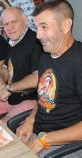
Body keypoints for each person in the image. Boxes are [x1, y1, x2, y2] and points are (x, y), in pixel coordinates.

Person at [15, 1, 82, 157]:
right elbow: (44, 98)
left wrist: (45, 140)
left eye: (44, 27)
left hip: (66, 144)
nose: (38, 35)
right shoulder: (46, 55)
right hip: (40, 135)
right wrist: (30, 120)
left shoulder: (79, 62)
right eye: (37, 28)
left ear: (66, 26)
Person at [0, 7, 43, 122]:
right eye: (6, 24)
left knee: (1, 126)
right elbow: (4, 69)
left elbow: (37, 78)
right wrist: (0, 82)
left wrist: (8, 88)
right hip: (11, 97)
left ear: (25, 20)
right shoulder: (12, 42)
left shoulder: (35, 42)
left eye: (14, 22)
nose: (10, 27)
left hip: (32, 100)